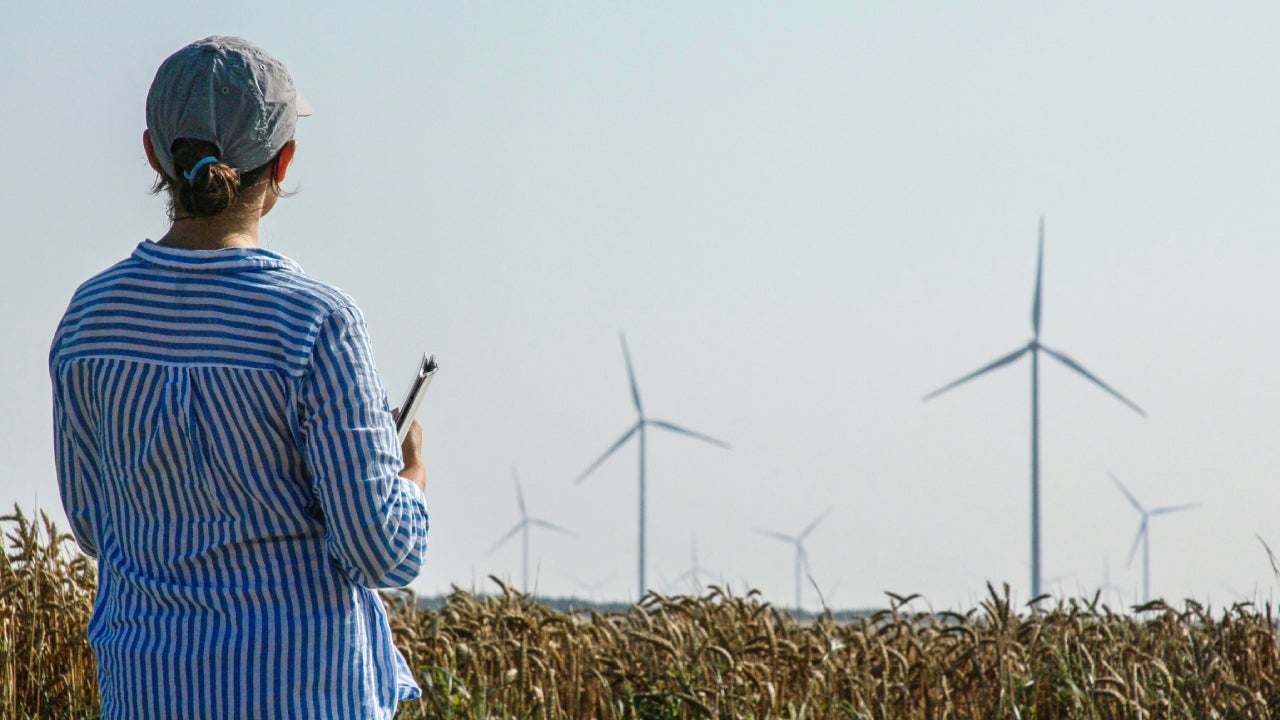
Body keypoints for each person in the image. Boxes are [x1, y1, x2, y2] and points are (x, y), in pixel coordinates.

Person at [49, 36, 429, 719]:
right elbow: (381, 552)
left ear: (152, 154)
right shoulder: (318, 324)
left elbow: (91, 523)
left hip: (146, 692)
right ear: (283, 161)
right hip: (305, 695)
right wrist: (409, 486)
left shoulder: (90, 320)